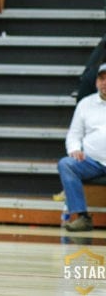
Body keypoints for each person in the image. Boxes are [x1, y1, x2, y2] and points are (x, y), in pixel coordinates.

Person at [58, 64, 106, 232]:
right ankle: (81, 217)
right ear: (96, 82)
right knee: (66, 164)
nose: (105, 82)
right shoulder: (85, 104)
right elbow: (74, 134)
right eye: (102, 78)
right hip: (91, 161)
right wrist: (74, 150)